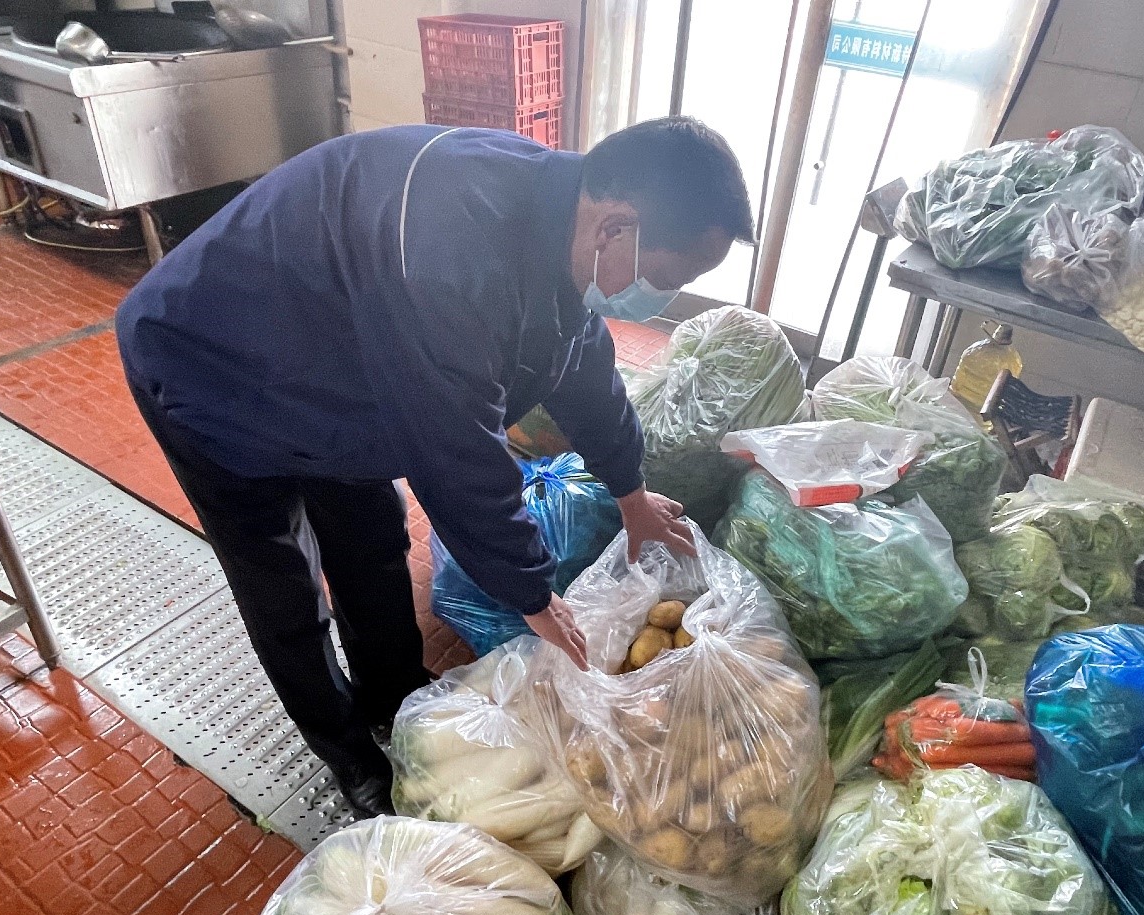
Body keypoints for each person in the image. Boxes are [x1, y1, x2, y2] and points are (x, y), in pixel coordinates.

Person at [115, 116, 755, 817]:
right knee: (282, 585)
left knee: (371, 539)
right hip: (210, 365)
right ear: (615, 228)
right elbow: (457, 452)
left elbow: (582, 367)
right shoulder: (452, 251)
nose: (662, 298)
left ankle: (392, 695)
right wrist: (532, 593)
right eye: (667, 278)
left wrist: (631, 493)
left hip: (332, 364)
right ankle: (347, 751)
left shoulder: (557, 223)